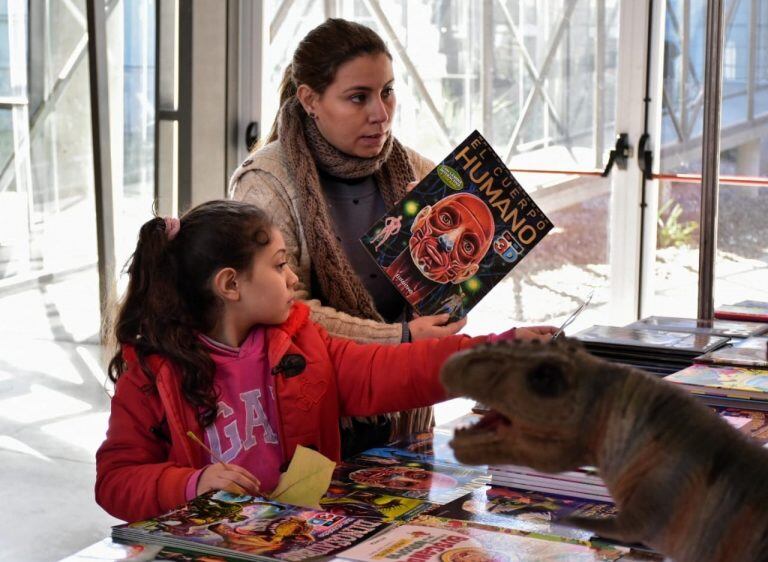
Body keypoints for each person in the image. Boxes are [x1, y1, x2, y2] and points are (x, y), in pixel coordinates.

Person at [95, 200, 555, 522]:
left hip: (299, 537)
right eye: (278, 266)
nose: (293, 277)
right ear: (230, 285)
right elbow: (116, 481)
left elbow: (394, 371)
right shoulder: (151, 373)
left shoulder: (301, 343)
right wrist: (191, 486)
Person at [229, 18, 468, 452]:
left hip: (404, 414)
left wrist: (449, 277)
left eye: (387, 92)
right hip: (309, 415)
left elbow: (451, 292)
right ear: (310, 100)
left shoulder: (417, 171)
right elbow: (284, 310)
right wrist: (401, 339)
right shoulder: (265, 182)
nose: (380, 113)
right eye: (358, 97)